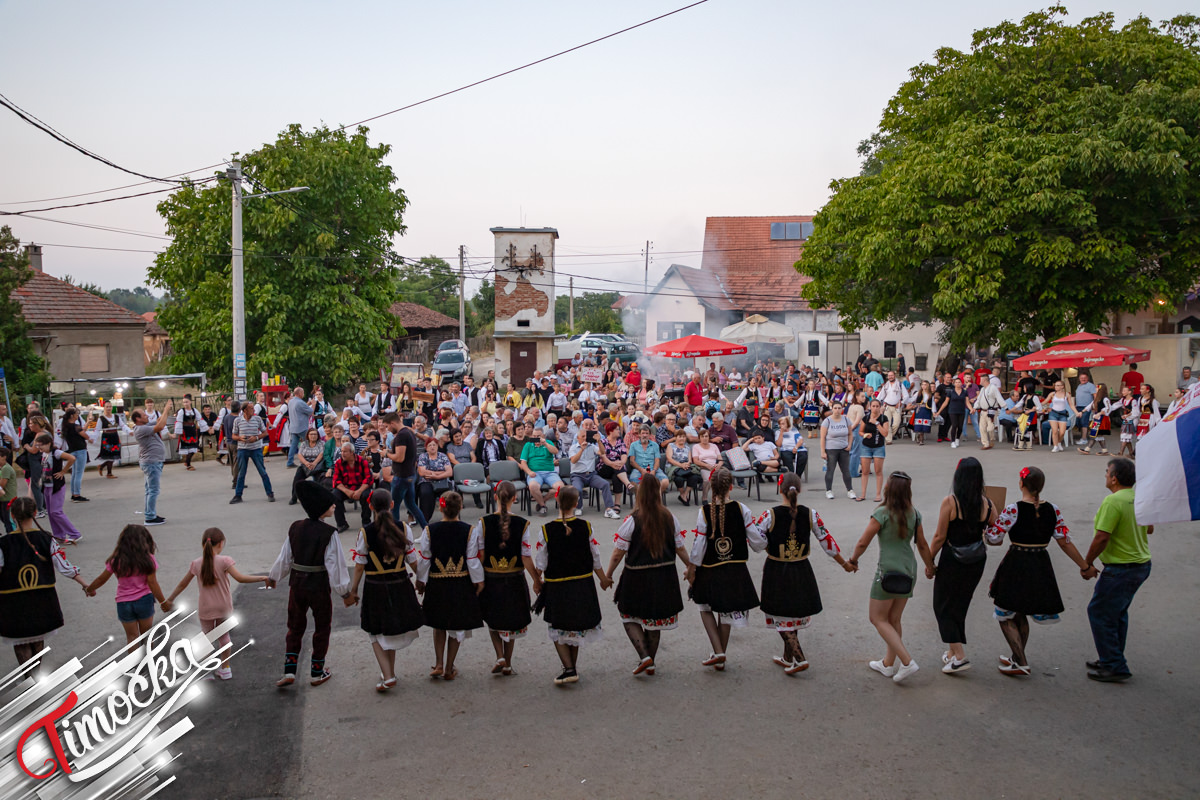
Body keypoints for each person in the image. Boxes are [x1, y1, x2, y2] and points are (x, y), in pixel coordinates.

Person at [985, 466, 1089, 676]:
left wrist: (988, 526)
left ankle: (1021, 662)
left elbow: (994, 538)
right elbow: (1064, 541)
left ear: (1021, 484)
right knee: (1021, 610)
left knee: (1004, 614)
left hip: (1017, 563)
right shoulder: (1053, 509)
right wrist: (1084, 565)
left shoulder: (1013, 509)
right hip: (1040, 563)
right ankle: (1017, 656)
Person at [757, 473, 854, 674]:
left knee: (781, 614)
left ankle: (800, 659)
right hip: (801, 569)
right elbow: (827, 541)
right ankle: (787, 658)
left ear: (779, 488)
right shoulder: (811, 514)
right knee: (790, 612)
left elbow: (757, 542)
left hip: (777, 569)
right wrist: (844, 563)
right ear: (799, 490)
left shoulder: (770, 515)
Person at [846, 471, 934, 683]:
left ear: (888, 489)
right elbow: (921, 544)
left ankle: (906, 661)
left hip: (887, 571)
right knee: (894, 618)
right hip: (908, 571)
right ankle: (887, 663)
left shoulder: (882, 513)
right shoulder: (915, 513)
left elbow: (863, 542)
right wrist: (930, 566)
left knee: (877, 618)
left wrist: (853, 559)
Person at [605, 477, 692, 676]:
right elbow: (680, 547)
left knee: (628, 615)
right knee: (655, 619)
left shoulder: (632, 519)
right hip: (664, 576)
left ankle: (645, 657)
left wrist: (608, 575)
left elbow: (618, 552)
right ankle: (650, 661)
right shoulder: (669, 516)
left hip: (637, 577)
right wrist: (690, 566)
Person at [268, 480, 351, 687]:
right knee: (322, 626)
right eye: (331, 504)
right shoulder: (330, 534)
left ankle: (289, 670)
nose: (334, 506)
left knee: (295, 626)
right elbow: (335, 566)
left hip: (297, 585)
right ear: (321, 508)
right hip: (319, 586)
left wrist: (274, 577)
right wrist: (345, 592)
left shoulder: (295, 528)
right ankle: (317, 671)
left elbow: (285, 558)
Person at [530, 486, 611, 685]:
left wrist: (536, 580)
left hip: (558, 587)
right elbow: (595, 558)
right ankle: (571, 667)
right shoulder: (586, 526)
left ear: (557, 502)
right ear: (576, 504)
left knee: (558, 626)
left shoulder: (546, 530)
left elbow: (541, 561)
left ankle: (569, 668)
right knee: (575, 626)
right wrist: (603, 578)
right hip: (582, 584)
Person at [163, 527, 268, 680]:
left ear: (203, 544)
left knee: (205, 638)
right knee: (224, 636)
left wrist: (170, 599)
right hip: (224, 607)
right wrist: (262, 578)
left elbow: (182, 584)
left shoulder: (196, 564)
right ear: (221, 544)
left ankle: (206, 671)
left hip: (206, 608)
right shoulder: (225, 561)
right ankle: (225, 669)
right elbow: (240, 578)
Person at [687, 468, 766, 671]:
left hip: (711, 568)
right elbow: (756, 542)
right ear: (731, 486)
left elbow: (699, 545)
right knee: (726, 611)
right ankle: (720, 653)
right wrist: (765, 542)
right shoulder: (742, 509)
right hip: (736, 569)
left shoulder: (704, 511)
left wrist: (692, 569)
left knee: (704, 608)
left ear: (711, 487)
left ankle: (718, 651)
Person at [345, 489, 423, 691]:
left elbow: (360, 565)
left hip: (375, 587)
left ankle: (388, 676)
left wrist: (353, 591)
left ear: (370, 507)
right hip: (400, 584)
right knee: (389, 629)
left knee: (375, 630)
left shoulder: (365, 532)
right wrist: (421, 581)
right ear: (392, 505)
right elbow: (412, 560)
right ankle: (389, 672)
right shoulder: (403, 527)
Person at [1083, 457, 1152, 682]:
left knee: (1099, 612)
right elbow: (1149, 528)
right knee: (1117, 613)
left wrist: (1087, 563)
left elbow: (1102, 536)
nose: (1105, 475)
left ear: (1114, 478)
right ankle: (1111, 657)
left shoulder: (1113, 502)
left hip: (1121, 568)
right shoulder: (1138, 498)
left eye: (1107, 472)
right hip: (1140, 565)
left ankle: (1114, 664)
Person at [929, 456, 998, 674]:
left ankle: (959, 656)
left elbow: (940, 536)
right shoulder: (988, 503)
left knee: (942, 605)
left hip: (952, 560)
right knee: (960, 604)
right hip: (976, 561)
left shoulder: (951, 502)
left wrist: (929, 561)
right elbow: (996, 533)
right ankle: (951, 652)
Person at [0, 497, 87, 666]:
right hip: (42, 598)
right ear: (34, 513)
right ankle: (36, 672)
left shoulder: (3, 543)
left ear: (11, 515)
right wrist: (85, 584)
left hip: (13, 601)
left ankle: (28, 677)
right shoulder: (47, 539)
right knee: (37, 636)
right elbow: (64, 566)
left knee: (21, 641)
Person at [414, 492, 483, 680]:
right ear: (461, 507)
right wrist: (479, 580)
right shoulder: (469, 530)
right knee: (456, 624)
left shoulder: (429, 530)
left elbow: (426, 558)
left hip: (437, 582)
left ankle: (438, 663)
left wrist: (421, 580)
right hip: (460, 582)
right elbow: (472, 559)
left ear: (440, 507)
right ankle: (449, 667)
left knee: (439, 623)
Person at [473, 481, 534, 675]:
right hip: (515, 578)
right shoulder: (523, 524)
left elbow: (479, 554)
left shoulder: (483, 522)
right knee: (512, 621)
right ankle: (507, 662)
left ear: (495, 497)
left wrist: (478, 576)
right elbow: (525, 555)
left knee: (493, 617)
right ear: (515, 498)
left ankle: (499, 655)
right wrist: (537, 579)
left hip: (491, 578)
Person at [84, 524, 168, 650]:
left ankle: (134, 667)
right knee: (147, 635)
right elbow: (152, 583)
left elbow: (102, 578)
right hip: (144, 600)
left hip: (124, 603)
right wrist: (163, 601)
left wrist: (90, 589)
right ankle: (149, 665)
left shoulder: (116, 560)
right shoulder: (148, 559)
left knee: (132, 637)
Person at [34, 432, 83, 544]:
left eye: (41, 445)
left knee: (56, 511)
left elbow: (71, 458)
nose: (39, 447)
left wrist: (63, 471)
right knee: (51, 513)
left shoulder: (56, 452)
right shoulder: (44, 454)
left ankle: (75, 534)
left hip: (56, 486)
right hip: (47, 485)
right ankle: (58, 535)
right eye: (37, 445)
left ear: (49, 443)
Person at [131, 400, 173, 525]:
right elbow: (160, 427)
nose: (147, 416)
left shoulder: (145, 426)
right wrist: (165, 410)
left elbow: (159, 421)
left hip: (152, 462)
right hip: (151, 462)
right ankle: (150, 517)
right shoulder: (140, 429)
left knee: (150, 490)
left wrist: (165, 412)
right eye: (144, 415)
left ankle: (151, 513)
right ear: (138, 419)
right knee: (153, 490)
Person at [569, 425, 619, 519]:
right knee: (578, 489)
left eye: (586, 436)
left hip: (591, 475)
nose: (585, 438)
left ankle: (609, 509)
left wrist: (598, 441)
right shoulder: (573, 448)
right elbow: (573, 461)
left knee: (605, 484)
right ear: (578, 438)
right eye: (583, 436)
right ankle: (579, 507)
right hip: (577, 475)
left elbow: (603, 453)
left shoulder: (592, 446)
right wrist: (581, 450)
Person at [231, 401, 275, 504]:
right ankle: (238, 495)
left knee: (262, 472)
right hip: (242, 449)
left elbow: (265, 433)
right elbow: (233, 435)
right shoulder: (237, 421)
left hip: (256, 449)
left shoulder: (258, 419)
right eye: (251, 408)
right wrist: (240, 438)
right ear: (245, 410)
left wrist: (256, 438)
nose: (254, 410)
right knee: (241, 473)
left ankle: (270, 493)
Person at [332, 443, 373, 533]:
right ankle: (341, 524)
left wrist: (359, 491)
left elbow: (368, 479)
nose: (342, 454)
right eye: (342, 451)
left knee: (366, 495)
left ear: (352, 452)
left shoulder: (362, 461)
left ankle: (366, 521)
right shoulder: (339, 463)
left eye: (345, 451)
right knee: (334, 495)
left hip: (361, 486)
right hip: (346, 487)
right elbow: (336, 481)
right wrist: (347, 491)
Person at [820, 401, 857, 501]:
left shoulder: (846, 420)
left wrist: (849, 445)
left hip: (844, 449)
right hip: (831, 449)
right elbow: (822, 437)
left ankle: (850, 490)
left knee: (846, 470)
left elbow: (850, 434)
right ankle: (829, 490)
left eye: (839, 408)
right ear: (832, 409)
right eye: (835, 408)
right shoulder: (827, 421)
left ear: (842, 409)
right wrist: (823, 451)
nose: (837, 410)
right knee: (830, 470)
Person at [858, 399, 889, 503]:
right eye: (873, 406)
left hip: (878, 447)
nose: (875, 408)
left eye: (877, 406)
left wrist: (877, 423)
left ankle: (878, 494)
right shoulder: (865, 418)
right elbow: (860, 431)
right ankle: (863, 494)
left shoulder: (883, 418)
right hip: (866, 446)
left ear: (880, 407)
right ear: (870, 407)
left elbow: (885, 433)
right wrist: (864, 435)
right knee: (865, 471)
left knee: (878, 471)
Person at [59, 406, 91, 501]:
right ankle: (77, 494)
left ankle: (74, 493)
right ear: (72, 416)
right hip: (80, 449)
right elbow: (84, 435)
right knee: (79, 473)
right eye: (77, 414)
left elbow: (81, 431)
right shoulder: (75, 426)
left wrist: (88, 423)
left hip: (72, 450)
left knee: (74, 473)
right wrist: (89, 438)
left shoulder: (66, 426)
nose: (78, 416)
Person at [665, 428, 702, 506]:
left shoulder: (687, 447)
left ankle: (684, 495)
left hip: (685, 466)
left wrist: (686, 464)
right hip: (674, 466)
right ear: (676, 437)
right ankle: (682, 493)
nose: (682, 438)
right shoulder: (671, 445)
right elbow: (669, 459)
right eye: (680, 436)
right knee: (679, 479)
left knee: (694, 477)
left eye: (683, 437)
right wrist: (680, 465)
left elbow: (689, 460)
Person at [628, 425, 671, 494]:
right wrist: (641, 470)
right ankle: (641, 501)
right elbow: (632, 461)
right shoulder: (633, 445)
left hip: (653, 468)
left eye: (647, 433)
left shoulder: (655, 445)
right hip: (639, 469)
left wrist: (654, 470)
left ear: (650, 435)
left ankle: (655, 498)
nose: (645, 435)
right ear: (639, 434)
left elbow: (657, 460)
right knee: (633, 483)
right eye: (643, 433)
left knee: (665, 482)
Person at [291, 428, 326, 505]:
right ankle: (294, 497)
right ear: (308, 435)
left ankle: (319, 498)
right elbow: (300, 455)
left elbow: (321, 454)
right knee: (297, 479)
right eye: (311, 434)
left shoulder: (321, 443)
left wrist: (314, 463)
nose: (313, 436)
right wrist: (306, 463)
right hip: (305, 465)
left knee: (319, 481)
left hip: (317, 465)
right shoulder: (304, 444)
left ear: (318, 435)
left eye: (315, 434)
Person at [173, 395, 207, 471]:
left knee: (194, 447)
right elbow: (179, 421)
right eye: (184, 402)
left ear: (190, 402)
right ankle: (188, 464)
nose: (185, 404)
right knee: (187, 447)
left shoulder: (194, 410)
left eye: (187, 402)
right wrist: (178, 431)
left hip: (192, 430)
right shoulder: (182, 411)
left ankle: (187, 462)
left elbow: (200, 419)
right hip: (185, 431)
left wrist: (205, 428)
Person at [1043, 379, 1078, 453]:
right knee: (1055, 431)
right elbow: (1045, 401)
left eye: (1058, 385)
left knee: (1062, 432)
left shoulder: (1066, 394)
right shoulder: (1052, 394)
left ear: (1062, 386)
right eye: (1055, 385)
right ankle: (1055, 446)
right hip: (1053, 413)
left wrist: (1076, 412)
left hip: (1062, 414)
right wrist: (1037, 405)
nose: (1056, 387)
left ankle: (1058, 442)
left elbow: (1071, 405)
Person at [1078, 384, 1113, 456]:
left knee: (1095, 434)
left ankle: (1087, 449)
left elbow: (1108, 408)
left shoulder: (1105, 399)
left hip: (1102, 419)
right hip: (1097, 419)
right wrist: (1082, 412)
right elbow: (1089, 406)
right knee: (1097, 435)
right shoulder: (1097, 399)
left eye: (1097, 388)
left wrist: (1100, 413)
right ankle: (1104, 450)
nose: (1095, 389)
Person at [286, 387, 316, 467]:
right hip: (302, 427)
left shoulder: (291, 401)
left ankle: (290, 462)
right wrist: (313, 405)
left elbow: (300, 408)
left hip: (293, 426)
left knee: (293, 445)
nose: (303, 394)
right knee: (309, 442)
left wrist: (307, 404)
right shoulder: (300, 403)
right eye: (302, 392)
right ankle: (310, 459)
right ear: (299, 393)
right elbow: (310, 412)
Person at [973, 374, 1004, 450]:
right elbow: (979, 400)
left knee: (990, 428)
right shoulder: (982, 389)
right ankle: (985, 444)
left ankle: (992, 439)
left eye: (980, 380)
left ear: (984, 380)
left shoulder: (993, 388)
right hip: (983, 411)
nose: (979, 381)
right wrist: (974, 407)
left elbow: (999, 398)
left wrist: (1005, 408)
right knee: (982, 428)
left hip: (992, 411)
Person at [95, 402, 123, 478]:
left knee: (114, 454)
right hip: (106, 437)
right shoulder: (101, 418)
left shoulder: (116, 417)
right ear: (104, 408)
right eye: (107, 407)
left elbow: (123, 425)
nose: (109, 408)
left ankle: (102, 466)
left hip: (115, 436)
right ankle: (109, 473)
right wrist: (93, 438)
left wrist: (129, 431)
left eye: (110, 407)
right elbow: (97, 429)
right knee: (110, 455)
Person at [0, 448, 16, 532]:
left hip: (8, 499)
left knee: (9, 521)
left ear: (4, 457)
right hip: (3, 499)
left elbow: (2, 485)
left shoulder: (6, 468)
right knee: (5, 519)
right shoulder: (2, 468)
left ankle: (14, 538)